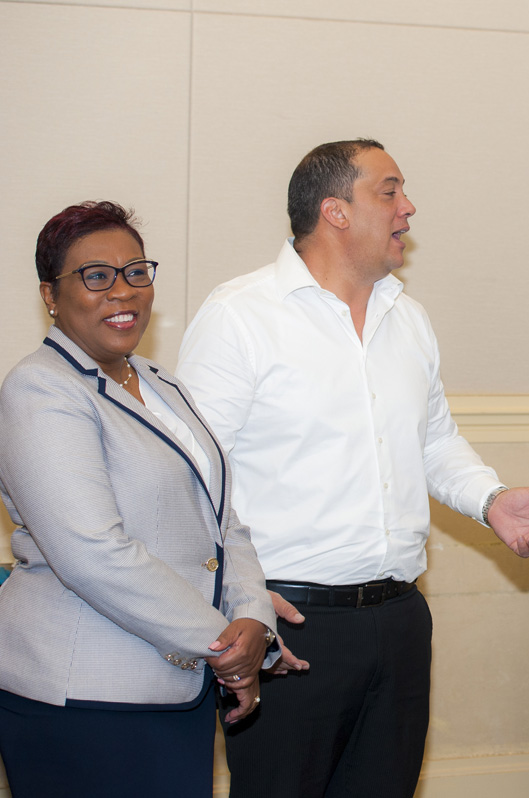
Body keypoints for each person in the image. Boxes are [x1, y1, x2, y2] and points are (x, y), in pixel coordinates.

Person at [175, 138, 529, 798]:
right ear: (335, 211)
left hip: (399, 621)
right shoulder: (240, 316)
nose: (408, 207)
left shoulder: (407, 318)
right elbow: (191, 474)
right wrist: (234, 597)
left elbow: (434, 444)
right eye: (389, 192)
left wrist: (491, 500)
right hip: (287, 625)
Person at [0, 201, 278, 798]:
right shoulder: (40, 388)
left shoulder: (160, 382)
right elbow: (91, 553)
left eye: (135, 272)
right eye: (95, 276)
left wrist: (255, 616)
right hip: (86, 698)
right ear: (51, 295)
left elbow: (223, 520)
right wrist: (226, 644)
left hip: (178, 687)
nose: (122, 290)